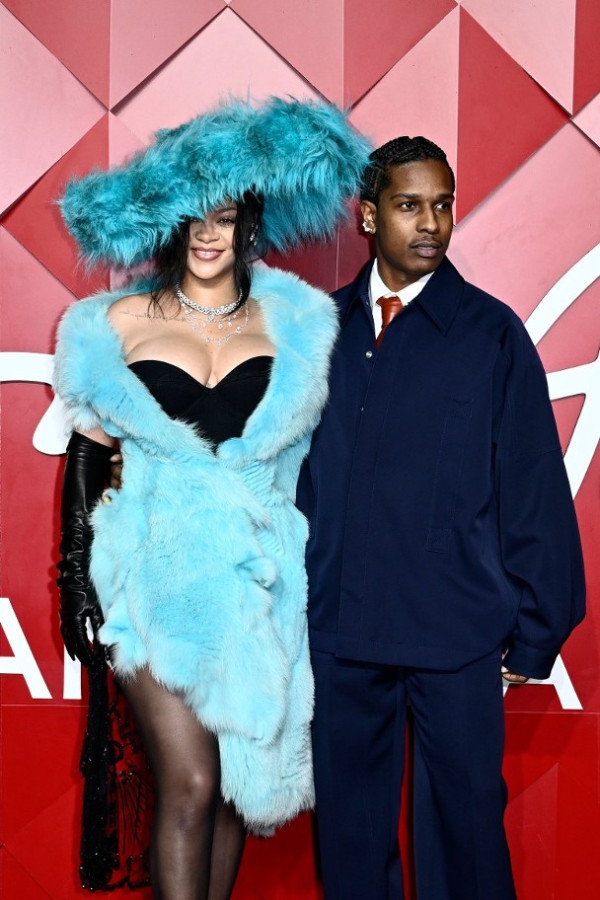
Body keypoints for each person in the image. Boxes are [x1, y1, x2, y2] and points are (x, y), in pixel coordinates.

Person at [53, 97, 371, 900]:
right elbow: (89, 454)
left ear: (247, 225)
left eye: (224, 219)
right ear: (171, 227)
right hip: (150, 580)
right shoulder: (116, 321)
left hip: (256, 582)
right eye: (194, 220)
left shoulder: (295, 322)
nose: (207, 235)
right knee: (192, 783)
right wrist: (76, 580)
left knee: (233, 792)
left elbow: (316, 464)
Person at [296, 136, 586, 899]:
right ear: (368, 216)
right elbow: (288, 483)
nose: (431, 223)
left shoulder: (492, 335)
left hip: (455, 634)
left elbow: (532, 485)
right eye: (408, 205)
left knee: (467, 834)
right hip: (340, 631)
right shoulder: (316, 332)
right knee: (351, 845)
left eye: (443, 205)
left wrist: (538, 627)